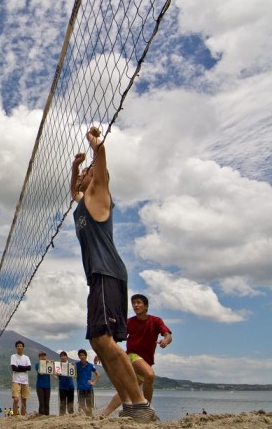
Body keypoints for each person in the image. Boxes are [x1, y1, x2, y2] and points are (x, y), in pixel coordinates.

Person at [70, 126, 158, 422]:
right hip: (98, 276)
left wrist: (96, 146)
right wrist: (74, 168)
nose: (85, 174)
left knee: (106, 341)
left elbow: (102, 166)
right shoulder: (83, 202)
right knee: (98, 342)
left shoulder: (100, 193)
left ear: (95, 177)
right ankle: (133, 407)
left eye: (88, 172)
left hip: (107, 272)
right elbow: (73, 193)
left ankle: (139, 404)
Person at [100, 294, 172, 417]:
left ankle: (103, 415)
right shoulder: (130, 322)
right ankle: (146, 410)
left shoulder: (156, 321)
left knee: (127, 391)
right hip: (132, 356)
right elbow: (115, 339)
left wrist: (165, 341)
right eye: (133, 303)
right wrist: (103, 352)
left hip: (146, 361)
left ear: (146, 306)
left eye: (138, 302)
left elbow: (167, 335)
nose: (135, 305)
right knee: (149, 375)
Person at [75, 349, 100, 416]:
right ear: (79, 357)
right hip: (80, 389)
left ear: (86, 356)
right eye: (80, 355)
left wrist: (93, 382)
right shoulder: (76, 365)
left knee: (89, 406)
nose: (81, 357)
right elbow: (70, 371)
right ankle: (88, 413)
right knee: (81, 405)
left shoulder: (90, 365)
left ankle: (90, 417)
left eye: (83, 355)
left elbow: (98, 374)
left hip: (89, 388)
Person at [10, 340, 31, 416]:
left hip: (25, 381)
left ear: (23, 347)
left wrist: (19, 366)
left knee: (24, 400)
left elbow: (29, 368)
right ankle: (15, 417)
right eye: (18, 346)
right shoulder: (13, 356)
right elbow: (14, 368)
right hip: (16, 380)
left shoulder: (26, 357)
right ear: (16, 347)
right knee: (16, 399)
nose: (19, 347)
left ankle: (23, 417)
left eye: (20, 346)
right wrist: (24, 368)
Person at [57, 351, 75, 415]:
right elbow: (56, 377)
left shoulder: (71, 365)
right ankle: (62, 415)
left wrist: (73, 366)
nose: (63, 357)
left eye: (64, 356)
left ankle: (71, 415)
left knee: (70, 402)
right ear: (60, 357)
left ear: (67, 357)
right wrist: (57, 375)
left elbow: (74, 376)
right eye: (61, 356)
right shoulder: (58, 366)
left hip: (70, 386)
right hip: (62, 386)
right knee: (62, 402)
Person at [35, 351, 51, 415]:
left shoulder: (49, 365)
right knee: (41, 403)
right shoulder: (37, 364)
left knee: (47, 403)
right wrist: (44, 364)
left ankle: (47, 416)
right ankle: (41, 416)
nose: (43, 357)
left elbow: (54, 375)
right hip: (40, 386)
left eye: (44, 356)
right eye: (41, 356)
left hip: (48, 386)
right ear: (39, 357)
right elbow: (40, 372)